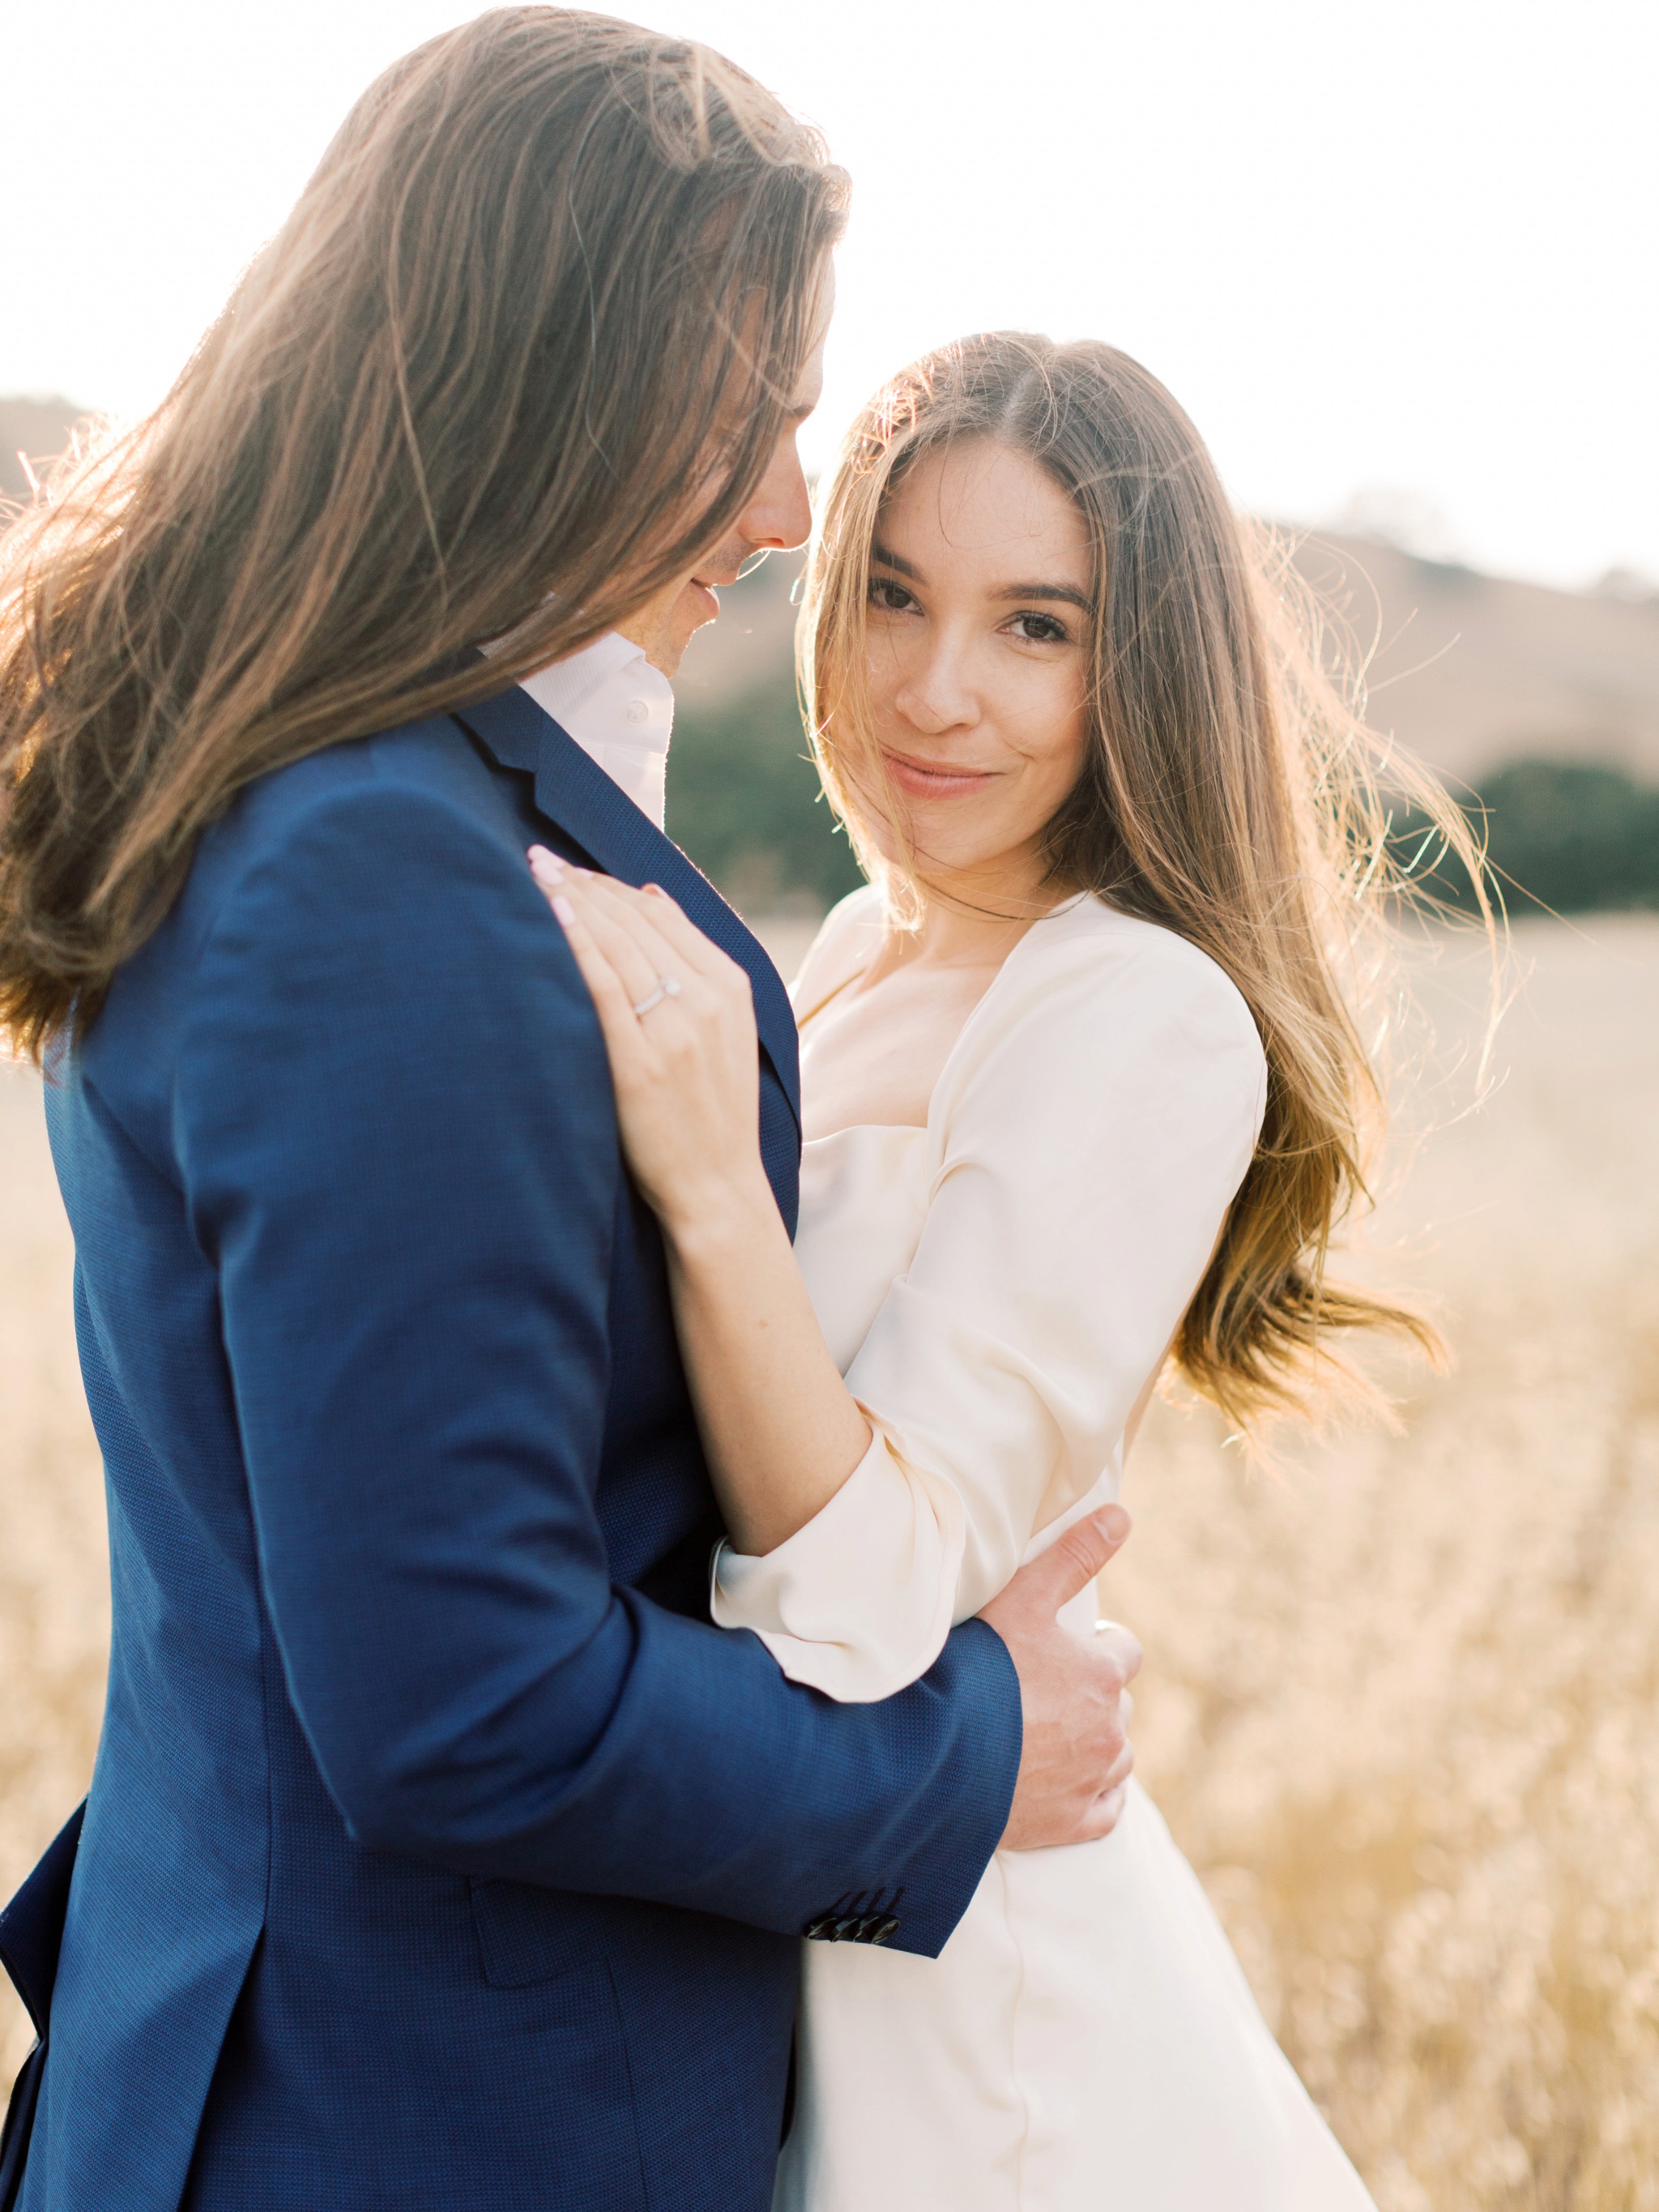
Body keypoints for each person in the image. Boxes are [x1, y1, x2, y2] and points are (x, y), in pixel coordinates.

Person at [0, 23, 1140, 2212]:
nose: (791, 513)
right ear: (549, 380)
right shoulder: (379, 878)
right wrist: (964, 1755)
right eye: (752, 416)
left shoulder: (310, 799)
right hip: (422, 2128)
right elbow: (466, 1698)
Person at [533, 331, 1491, 2209]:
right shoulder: (841, 955)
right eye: (892, 594)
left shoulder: (1133, 1005)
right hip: (785, 1934)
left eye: (1033, 626)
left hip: (986, 2037)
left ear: (1141, 668)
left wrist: (709, 1183)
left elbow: (862, 1601)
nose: (934, 688)